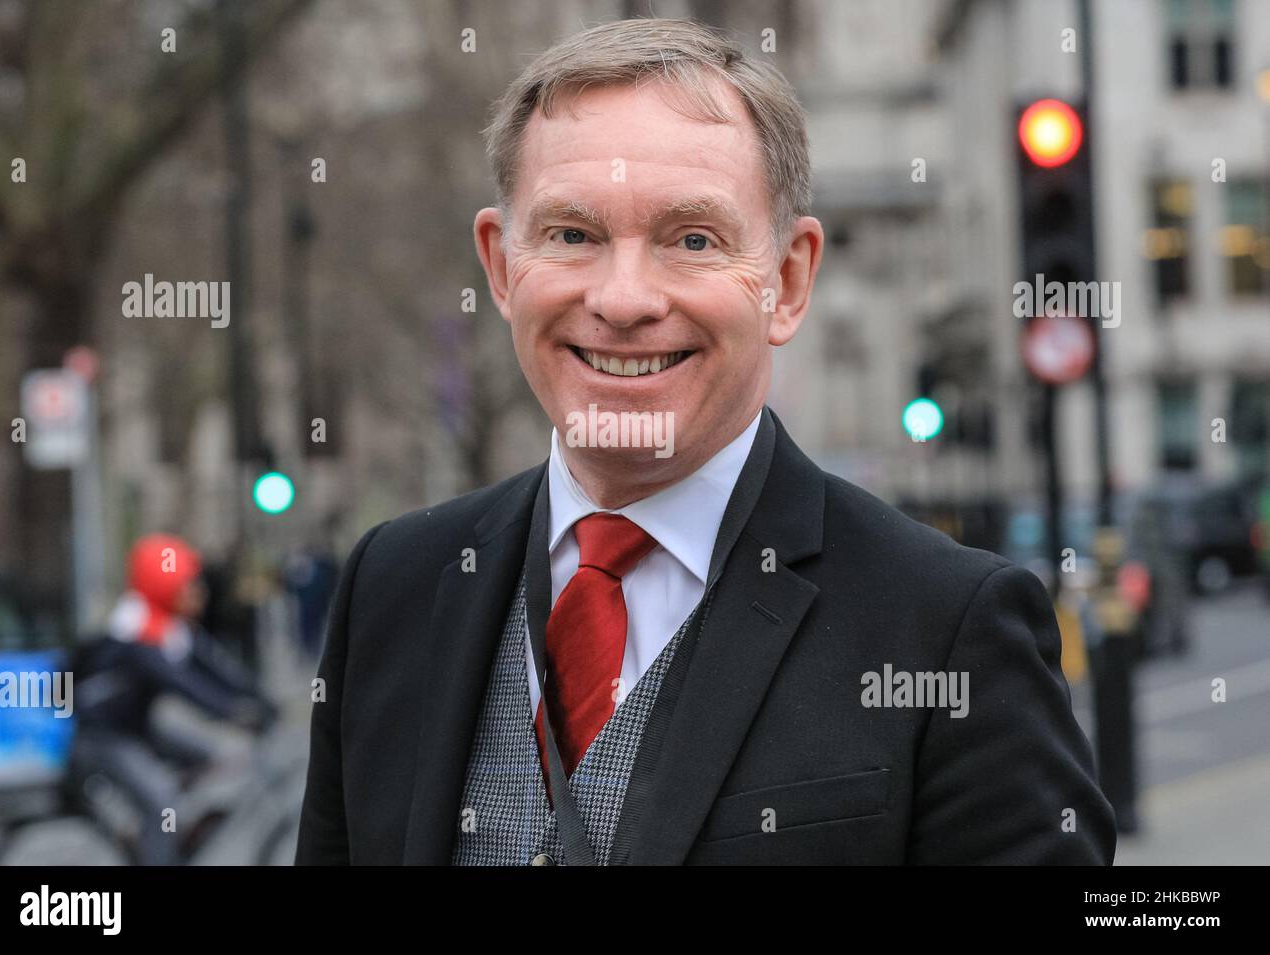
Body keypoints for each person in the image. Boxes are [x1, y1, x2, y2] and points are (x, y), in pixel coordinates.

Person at [296, 18, 1116, 865]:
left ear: (788, 281)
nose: (622, 300)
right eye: (573, 235)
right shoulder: (391, 586)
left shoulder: (947, 625)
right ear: (502, 268)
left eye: (692, 239)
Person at [70, 533, 277, 865]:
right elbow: (184, 684)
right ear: (163, 586)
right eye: (189, 586)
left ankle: (167, 830)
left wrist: (262, 699)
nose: (200, 594)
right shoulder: (135, 632)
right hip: (104, 737)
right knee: (162, 802)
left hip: (140, 725)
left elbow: (219, 671)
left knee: (214, 757)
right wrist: (231, 712)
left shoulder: (173, 627)